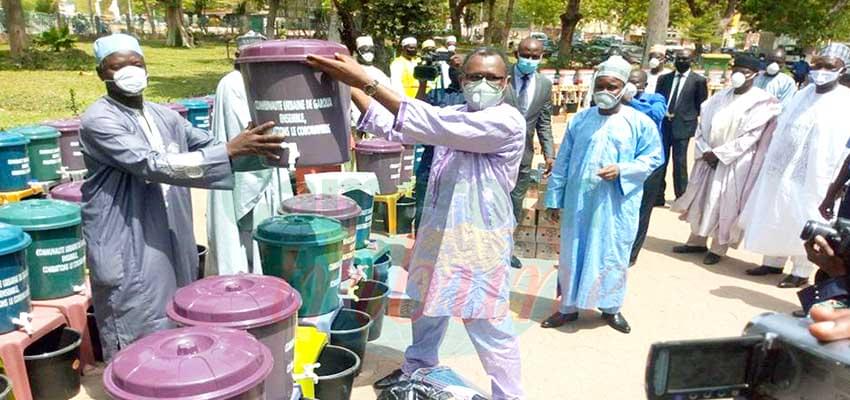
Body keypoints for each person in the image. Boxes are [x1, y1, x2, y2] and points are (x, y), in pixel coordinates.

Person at [308, 47, 526, 399]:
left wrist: (366, 79)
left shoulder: (506, 121)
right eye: (474, 76)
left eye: (492, 77)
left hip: (480, 240)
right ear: (461, 79)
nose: (482, 84)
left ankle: (509, 394)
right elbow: (397, 128)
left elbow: (433, 124)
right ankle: (418, 365)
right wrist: (353, 88)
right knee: (425, 303)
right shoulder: (452, 112)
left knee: (487, 320)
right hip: (438, 231)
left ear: (505, 82)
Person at [80, 34, 284, 359]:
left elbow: (207, 146)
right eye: (117, 66)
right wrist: (230, 151)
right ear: (101, 73)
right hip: (127, 232)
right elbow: (150, 163)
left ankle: (175, 380)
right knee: (137, 312)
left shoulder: (163, 115)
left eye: (136, 63)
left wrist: (260, 148)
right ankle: (137, 383)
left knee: (179, 302)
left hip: (168, 226)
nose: (130, 71)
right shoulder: (99, 120)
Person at [539, 56, 663, 334]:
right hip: (578, 202)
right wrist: (554, 198)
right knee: (573, 252)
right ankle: (567, 308)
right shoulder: (579, 120)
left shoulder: (639, 122)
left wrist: (623, 169)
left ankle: (610, 308)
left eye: (613, 86)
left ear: (624, 89)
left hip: (616, 203)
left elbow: (653, 158)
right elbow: (564, 162)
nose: (605, 91)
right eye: (601, 85)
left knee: (612, 253)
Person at [740, 43, 850, 288]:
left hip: (817, 176)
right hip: (781, 170)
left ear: (842, 69)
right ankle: (772, 262)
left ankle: (801, 271)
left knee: (806, 218)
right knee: (776, 211)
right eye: (818, 65)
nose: (821, 71)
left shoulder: (845, 102)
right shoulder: (802, 93)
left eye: (829, 67)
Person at [670, 55, 781, 265]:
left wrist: (720, 154)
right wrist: (706, 151)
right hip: (708, 158)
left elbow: (752, 136)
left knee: (725, 202)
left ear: (755, 75)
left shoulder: (763, 102)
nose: (738, 75)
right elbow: (701, 127)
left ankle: (719, 248)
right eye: (736, 70)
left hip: (736, 162)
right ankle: (696, 241)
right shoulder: (718, 98)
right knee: (702, 199)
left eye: (744, 72)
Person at [206, 32, 294, 277]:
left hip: (267, 166)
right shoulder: (234, 82)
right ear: (237, 55)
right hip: (249, 171)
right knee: (246, 233)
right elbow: (244, 131)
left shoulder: (259, 81)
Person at [505, 37, 554, 269]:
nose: (530, 60)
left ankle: (506, 250)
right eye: (526, 55)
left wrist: (549, 153)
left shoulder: (544, 85)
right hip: (494, 154)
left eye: (535, 57)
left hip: (523, 155)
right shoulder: (500, 76)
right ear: (517, 54)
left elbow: (544, 122)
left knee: (515, 203)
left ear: (542, 57)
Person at [412, 53, 466, 231]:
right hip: (430, 162)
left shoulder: (473, 99)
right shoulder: (437, 93)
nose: (455, 71)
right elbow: (418, 113)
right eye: (452, 67)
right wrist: (422, 81)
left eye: (459, 67)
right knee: (423, 211)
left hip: (459, 165)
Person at [655, 48, 709, 205]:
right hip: (664, 125)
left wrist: (691, 120)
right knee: (660, 161)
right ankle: (657, 195)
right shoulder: (664, 79)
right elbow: (658, 100)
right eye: (678, 59)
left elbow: (702, 106)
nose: (681, 62)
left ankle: (681, 197)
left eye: (685, 59)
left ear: (691, 61)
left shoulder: (698, 80)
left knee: (680, 162)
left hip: (683, 126)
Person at [626, 69, 668, 266]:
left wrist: (631, 99)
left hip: (651, 164)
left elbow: (656, 115)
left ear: (644, 84)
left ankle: (631, 255)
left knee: (642, 209)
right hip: (627, 162)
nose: (631, 85)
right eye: (628, 82)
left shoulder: (655, 99)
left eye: (635, 82)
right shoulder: (618, 99)